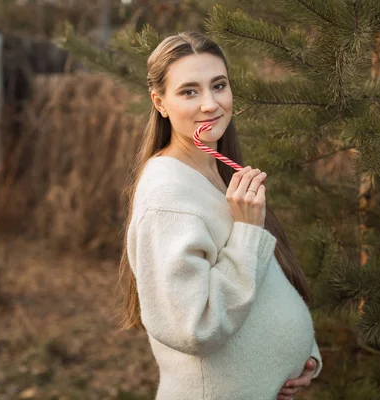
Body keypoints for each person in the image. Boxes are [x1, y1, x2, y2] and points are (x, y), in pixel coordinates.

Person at [118, 31, 322, 400]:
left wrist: (299, 359)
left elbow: (261, 282)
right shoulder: (167, 193)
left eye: (219, 85)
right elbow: (194, 325)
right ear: (159, 102)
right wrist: (246, 231)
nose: (211, 104)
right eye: (189, 91)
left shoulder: (218, 173)